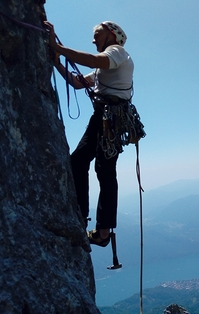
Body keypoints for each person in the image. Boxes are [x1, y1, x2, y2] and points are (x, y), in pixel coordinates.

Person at [44, 20, 134, 247]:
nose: (93, 39)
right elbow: (77, 82)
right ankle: (82, 217)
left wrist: (58, 48)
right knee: (80, 161)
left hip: (111, 118)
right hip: (104, 117)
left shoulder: (117, 53)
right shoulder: (105, 66)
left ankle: (103, 231)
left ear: (112, 35)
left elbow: (95, 59)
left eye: (97, 34)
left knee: (103, 169)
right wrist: (57, 62)